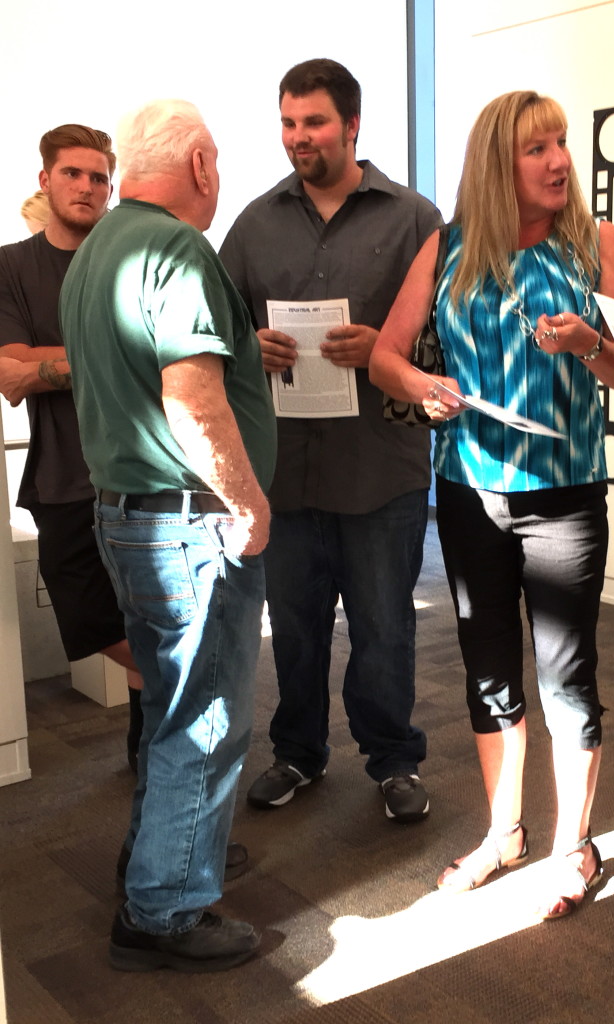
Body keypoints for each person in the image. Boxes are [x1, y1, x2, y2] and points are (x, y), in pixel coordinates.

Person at [371, 90, 614, 916]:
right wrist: (423, 386)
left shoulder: (595, 243)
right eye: (537, 148)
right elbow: (385, 358)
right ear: (498, 163)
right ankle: (503, 834)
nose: (560, 160)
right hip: (468, 493)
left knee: (567, 676)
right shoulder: (447, 247)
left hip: (564, 497)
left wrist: (589, 344)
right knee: (488, 673)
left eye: (561, 142)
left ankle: (573, 847)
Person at [59, 99, 276, 973]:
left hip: (128, 516)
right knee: (206, 718)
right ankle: (164, 910)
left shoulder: (95, 250)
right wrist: (247, 505)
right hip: (189, 523)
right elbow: (191, 399)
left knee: (167, 705)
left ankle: (161, 858)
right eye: (216, 160)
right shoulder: (178, 249)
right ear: (198, 164)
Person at [220, 58, 442, 822]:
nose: (298, 137)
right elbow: (216, 334)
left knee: (385, 630)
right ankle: (298, 753)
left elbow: (446, 346)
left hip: (380, 470)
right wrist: (250, 347)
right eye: (288, 123)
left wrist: (386, 348)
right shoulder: (253, 224)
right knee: (295, 631)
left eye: (313, 122)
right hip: (285, 472)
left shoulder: (414, 220)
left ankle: (394, 760)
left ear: (351, 125)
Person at [0, 125, 146, 771]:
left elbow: (152, 357)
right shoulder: (12, 266)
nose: (87, 187)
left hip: (142, 474)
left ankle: (152, 753)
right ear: (45, 179)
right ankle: (184, 692)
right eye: (72, 174)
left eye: (98, 178)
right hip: (62, 476)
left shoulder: (129, 260)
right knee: (89, 620)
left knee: (148, 618)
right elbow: (9, 369)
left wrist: (47, 363)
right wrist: (111, 354)